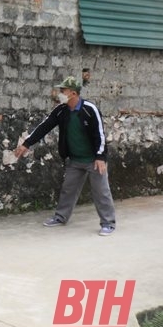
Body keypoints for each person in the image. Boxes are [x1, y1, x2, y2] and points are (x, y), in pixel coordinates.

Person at [13, 76, 116, 236]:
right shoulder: (61, 110)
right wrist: (27, 143)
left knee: (101, 191)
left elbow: (100, 135)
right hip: (75, 159)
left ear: (73, 93)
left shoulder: (90, 109)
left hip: (93, 160)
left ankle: (108, 223)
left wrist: (101, 157)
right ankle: (61, 217)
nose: (59, 93)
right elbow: (44, 126)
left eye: (63, 91)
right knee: (68, 189)